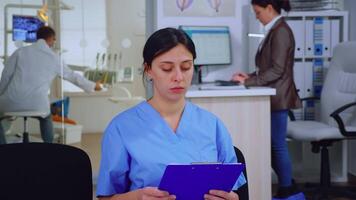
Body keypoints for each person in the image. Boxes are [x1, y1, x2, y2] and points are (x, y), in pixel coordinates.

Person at [96, 27, 246, 200]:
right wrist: (136, 197)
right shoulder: (121, 128)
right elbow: (105, 198)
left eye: (186, 67)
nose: (178, 77)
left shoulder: (212, 125)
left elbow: (235, 191)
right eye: (167, 68)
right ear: (148, 70)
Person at [231, 0, 304, 199]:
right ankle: (287, 185)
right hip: (273, 95)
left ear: (270, 8)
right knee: (272, 144)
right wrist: (249, 77)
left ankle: (287, 189)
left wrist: (248, 82)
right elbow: (268, 68)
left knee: (277, 145)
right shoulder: (275, 29)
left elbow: (278, 69)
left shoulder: (281, 31)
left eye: (258, 12)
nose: (257, 16)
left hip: (279, 97)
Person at [0, 26, 101, 144]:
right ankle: (50, 148)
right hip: (37, 104)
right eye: (54, 40)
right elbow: (71, 75)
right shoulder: (54, 57)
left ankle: (2, 149)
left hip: (11, 101)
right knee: (46, 118)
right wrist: (93, 86)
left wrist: (1, 95)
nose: (54, 43)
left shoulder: (20, 52)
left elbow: (5, 76)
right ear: (51, 38)